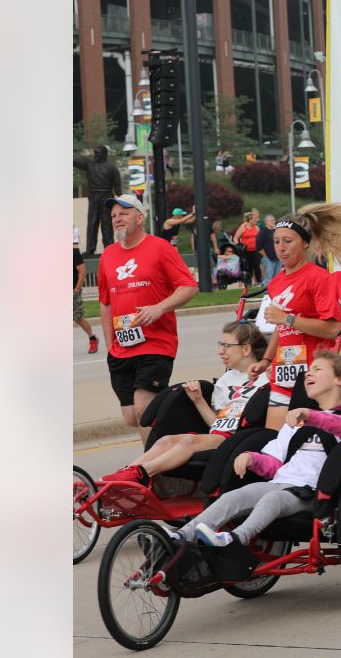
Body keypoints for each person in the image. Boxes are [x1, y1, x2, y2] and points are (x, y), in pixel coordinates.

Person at [175, 352, 341, 546]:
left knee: (273, 498)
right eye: (308, 370)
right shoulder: (296, 420)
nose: (308, 374)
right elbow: (274, 463)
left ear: (340, 379)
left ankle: (235, 539)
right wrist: (251, 458)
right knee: (234, 496)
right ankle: (182, 536)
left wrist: (309, 415)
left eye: (317, 369)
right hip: (281, 482)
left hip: (313, 493)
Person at [101, 322, 270, 485]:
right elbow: (217, 424)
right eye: (220, 345)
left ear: (246, 349)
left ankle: (142, 474)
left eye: (226, 346)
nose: (220, 351)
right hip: (221, 434)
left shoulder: (267, 378)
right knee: (165, 441)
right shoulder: (225, 381)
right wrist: (198, 399)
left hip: (243, 437)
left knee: (188, 441)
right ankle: (125, 473)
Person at [249, 204, 341, 429]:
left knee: (306, 446)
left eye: (288, 241)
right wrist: (265, 360)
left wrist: (287, 318)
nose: (281, 248)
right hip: (284, 373)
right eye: (276, 241)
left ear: (304, 243)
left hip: (314, 376)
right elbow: (281, 328)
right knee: (274, 445)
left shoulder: (320, 278)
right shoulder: (275, 283)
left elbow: (334, 329)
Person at [98, 194, 200, 440]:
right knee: (132, 416)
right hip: (122, 347)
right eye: (113, 215)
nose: (117, 219)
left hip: (156, 343)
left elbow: (189, 286)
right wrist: (110, 344)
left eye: (124, 213)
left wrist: (159, 308)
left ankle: (151, 471)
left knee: (144, 408)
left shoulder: (160, 248)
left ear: (140, 217)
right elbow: (105, 303)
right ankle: (179, 435)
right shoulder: (108, 255)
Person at [75, 145, 120, 255]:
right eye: (95, 153)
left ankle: (109, 248)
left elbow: (118, 187)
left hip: (107, 197)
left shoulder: (112, 169)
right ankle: (90, 249)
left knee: (107, 224)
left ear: (104, 154)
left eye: (98, 153)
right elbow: (75, 160)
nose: (96, 155)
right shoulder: (89, 164)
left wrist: (121, 201)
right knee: (92, 223)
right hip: (94, 197)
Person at [74, 244, 98, 354]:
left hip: (73, 290)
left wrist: (77, 290)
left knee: (78, 317)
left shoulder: (73, 252)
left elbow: (82, 271)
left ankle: (92, 338)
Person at [233, 211, 262, 285]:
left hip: (255, 249)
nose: (255, 220)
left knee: (257, 265)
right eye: (254, 219)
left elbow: (260, 238)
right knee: (248, 266)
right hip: (246, 250)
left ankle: (259, 280)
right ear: (250, 219)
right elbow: (236, 237)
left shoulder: (256, 227)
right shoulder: (243, 227)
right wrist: (238, 245)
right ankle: (248, 282)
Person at [256, 214, 278, 285]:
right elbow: (258, 245)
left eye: (274, 220)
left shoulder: (276, 231)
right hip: (268, 258)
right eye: (271, 220)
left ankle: (276, 292)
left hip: (277, 257)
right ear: (266, 222)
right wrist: (265, 255)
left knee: (277, 277)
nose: (273, 222)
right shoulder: (263, 231)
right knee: (269, 277)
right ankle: (267, 293)